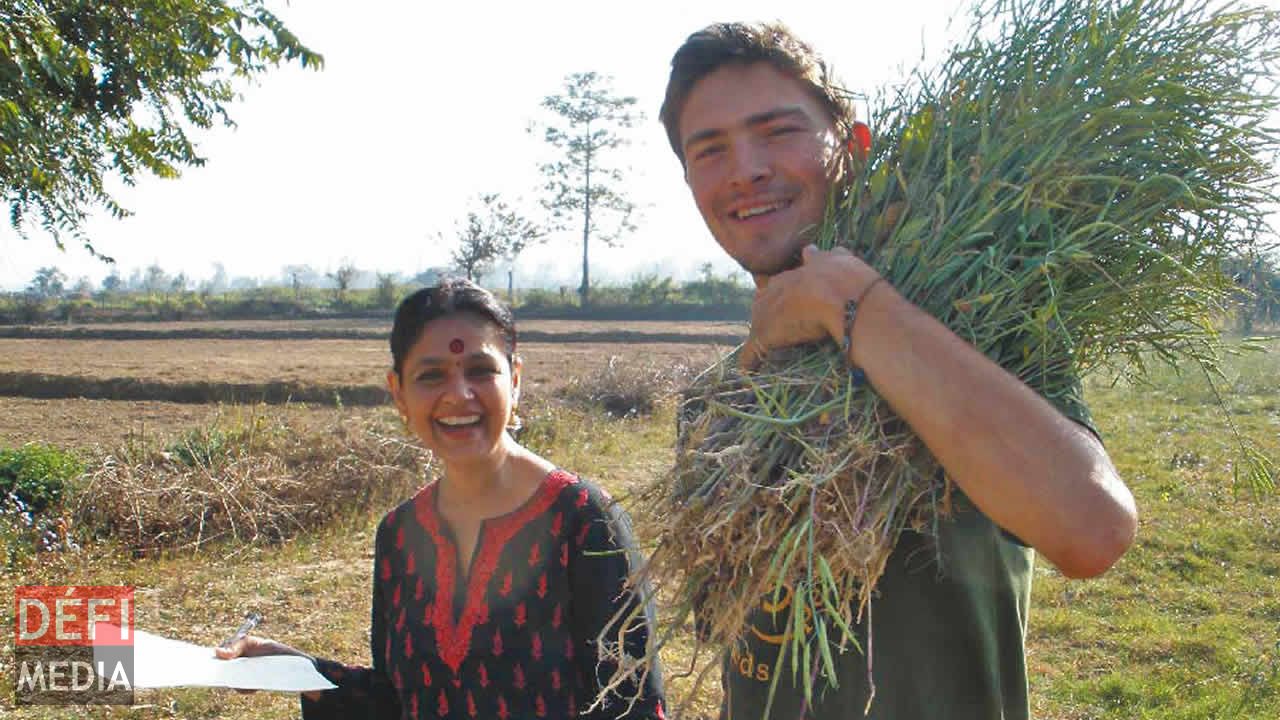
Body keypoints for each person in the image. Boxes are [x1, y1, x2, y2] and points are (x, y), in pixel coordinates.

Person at [659, 22, 1138, 719]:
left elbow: (1094, 530)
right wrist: (766, 353)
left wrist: (852, 303)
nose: (746, 168)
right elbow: (742, 651)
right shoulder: (716, 402)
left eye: (777, 131)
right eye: (711, 150)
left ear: (852, 147)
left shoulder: (978, 337)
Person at [217, 278, 665, 720]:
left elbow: (634, 705)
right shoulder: (399, 535)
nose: (458, 395)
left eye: (480, 371)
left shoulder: (584, 520)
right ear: (399, 394)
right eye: (431, 376)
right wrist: (295, 668)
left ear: (515, 380)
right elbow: (400, 700)